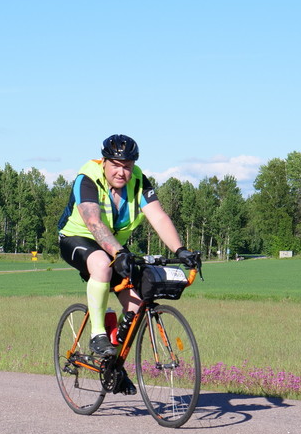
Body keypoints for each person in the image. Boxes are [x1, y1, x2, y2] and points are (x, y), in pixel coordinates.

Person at [58, 134, 200, 392]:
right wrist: (118, 252)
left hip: (114, 246)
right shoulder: (88, 178)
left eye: (127, 165)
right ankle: (97, 334)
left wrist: (180, 249)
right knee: (102, 263)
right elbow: (94, 223)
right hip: (77, 239)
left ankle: (114, 365)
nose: (122, 171)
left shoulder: (139, 182)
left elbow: (158, 217)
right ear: (104, 162)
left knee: (136, 304)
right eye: (116, 164)